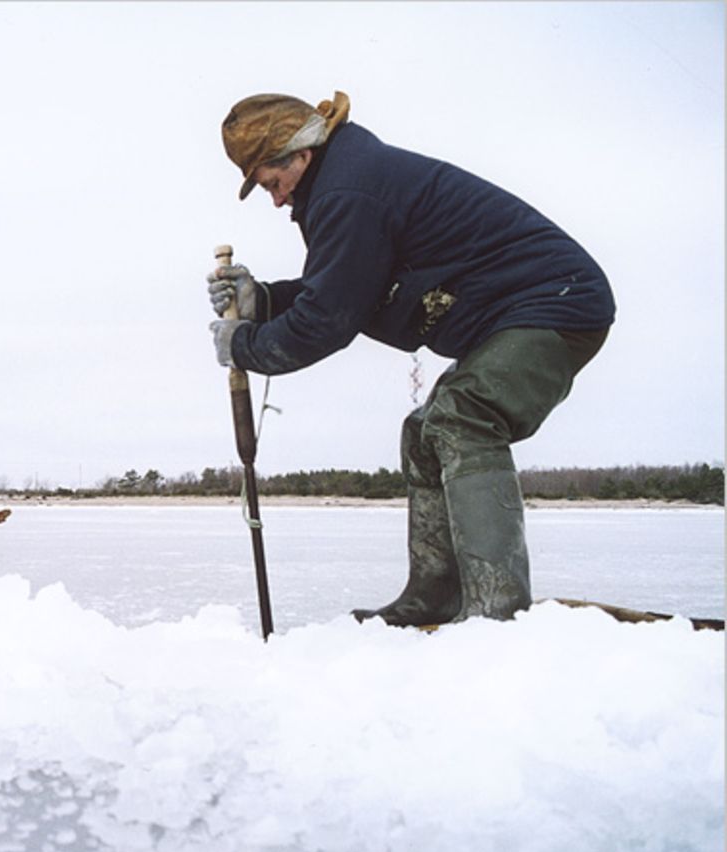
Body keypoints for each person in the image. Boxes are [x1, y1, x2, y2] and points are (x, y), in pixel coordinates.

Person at [206, 91, 613, 625]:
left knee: (463, 417)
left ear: (297, 154)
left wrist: (243, 346)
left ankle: (497, 611)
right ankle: (435, 595)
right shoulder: (344, 179)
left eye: (272, 184)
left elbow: (330, 319)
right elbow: (349, 282)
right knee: (423, 434)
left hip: (555, 305)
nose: (278, 201)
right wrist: (267, 300)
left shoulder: (347, 191)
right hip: (514, 314)